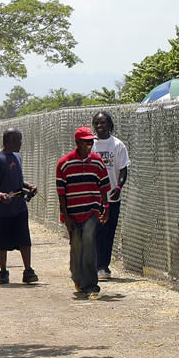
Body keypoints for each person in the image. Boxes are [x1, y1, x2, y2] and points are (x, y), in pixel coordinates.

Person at [56, 126, 110, 299]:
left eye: (91, 142)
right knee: (77, 245)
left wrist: (106, 208)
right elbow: (61, 193)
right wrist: (65, 215)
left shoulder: (97, 161)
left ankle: (91, 284)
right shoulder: (64, 163)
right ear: (77, 143)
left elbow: (104, 187)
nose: (89, 144)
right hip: (72, 211)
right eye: (86, 142)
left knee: (88, 242)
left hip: (91, 209)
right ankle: (77, 277)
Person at [0, 128, 39, 284]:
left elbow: (18, 181)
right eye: (19, 140)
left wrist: (29, 186)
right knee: (1, 241)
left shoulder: (17, 157)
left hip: (18, 207)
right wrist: (0, 194)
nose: (21, 143)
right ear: (10, 141)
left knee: (24, 240)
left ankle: (28, 270)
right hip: (0, 211)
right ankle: (3, 271)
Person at [92, 111, 130, 280]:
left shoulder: (118, 145)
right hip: (94, 197)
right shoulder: (90, 144)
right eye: (97, 123)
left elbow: (123, 169)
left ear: (110, 125)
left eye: (103, 123)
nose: (100, 126)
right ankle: (93, 265)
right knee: (95, 231)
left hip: (112, 197)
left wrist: (119, 186)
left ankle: (103, 267)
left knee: (108, 232)